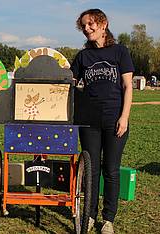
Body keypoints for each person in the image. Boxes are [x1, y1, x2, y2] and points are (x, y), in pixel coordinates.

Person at [71, 9, 134, 234]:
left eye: (91, 25)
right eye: (84, 26)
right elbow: (70, 83)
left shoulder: (120, 52)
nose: (87, 29)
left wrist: (124, 117)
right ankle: (88, 215)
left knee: (111, 170)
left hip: (114, 119)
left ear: (103, 24)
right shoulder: (82, 57)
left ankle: (108, 219)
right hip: (89, 122)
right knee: (91, 170)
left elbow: (128, 87)